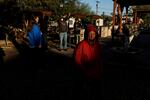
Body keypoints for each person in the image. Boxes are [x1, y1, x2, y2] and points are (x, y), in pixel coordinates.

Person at [73, 24, 102, 99]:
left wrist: (100, 70)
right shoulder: (81, 45)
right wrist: (83, 71)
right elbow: (77, 60)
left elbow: (99, 59)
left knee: (95, 92)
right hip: (84, 74)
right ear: (87, 34)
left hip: (95, 74)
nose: (92, 35)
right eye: (90, 33)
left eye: (93, 33)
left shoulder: (97, 45)